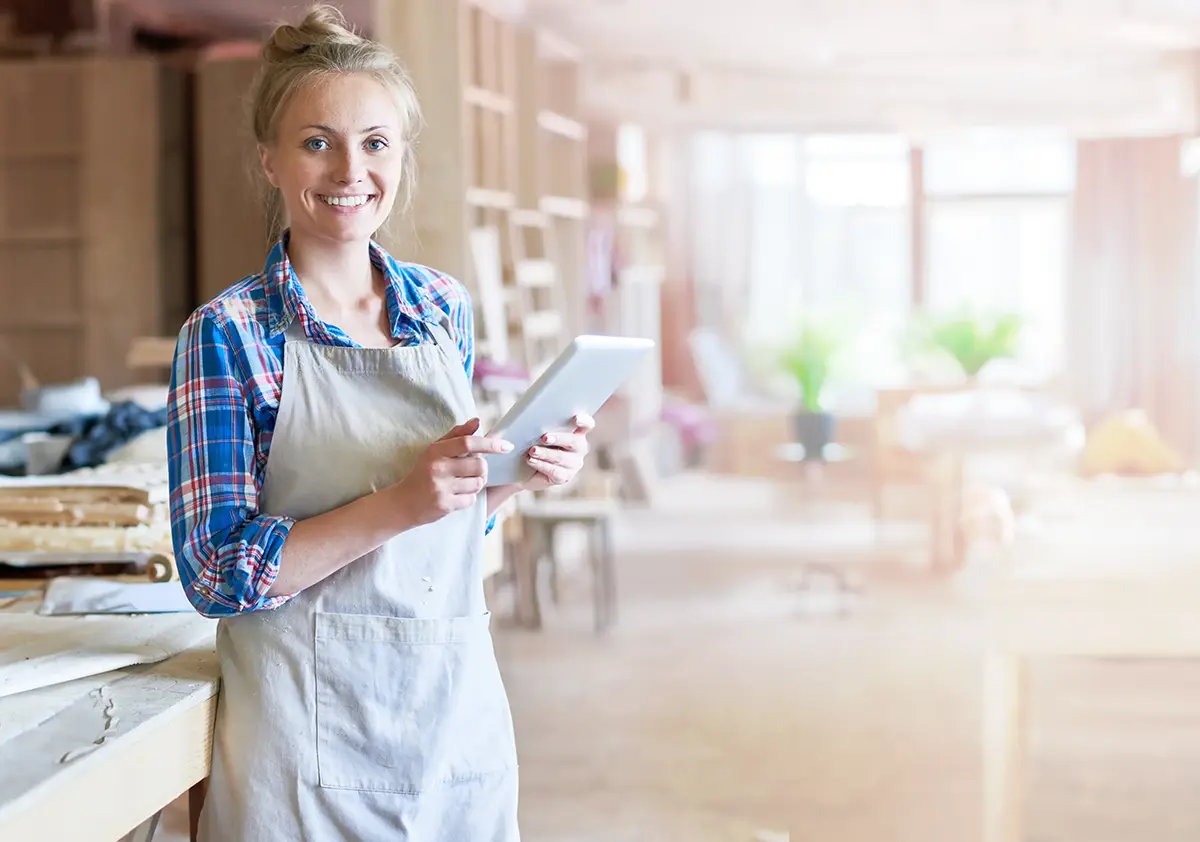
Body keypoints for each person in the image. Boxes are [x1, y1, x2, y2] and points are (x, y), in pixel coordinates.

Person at [166, 6, 594, 840]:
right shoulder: (227, 335)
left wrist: (512, 479)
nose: (349, 169)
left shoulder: (441, 308)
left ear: (400, 156)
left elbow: (444, 528)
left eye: (375, 142)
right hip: (303, 752)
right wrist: (403, 501)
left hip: (451, 723)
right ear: (271, 160)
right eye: (317, 141)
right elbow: (216, 572)